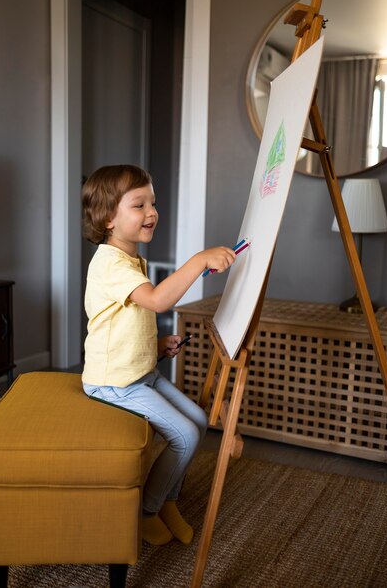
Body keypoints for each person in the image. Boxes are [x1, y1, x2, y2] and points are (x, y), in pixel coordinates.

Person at [81, 164, 235, 546]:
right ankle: (147, 509)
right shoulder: (109, 262)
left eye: (154, 202)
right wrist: (198, 260)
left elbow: (129, 318)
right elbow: (156, 299)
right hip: (113, 382)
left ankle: (167, 499)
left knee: (197, 420)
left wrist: (157, 344)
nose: (152, 212)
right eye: (139, 205)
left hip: (140, 372)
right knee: (183, 433)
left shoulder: (131, 260)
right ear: (108, 218)